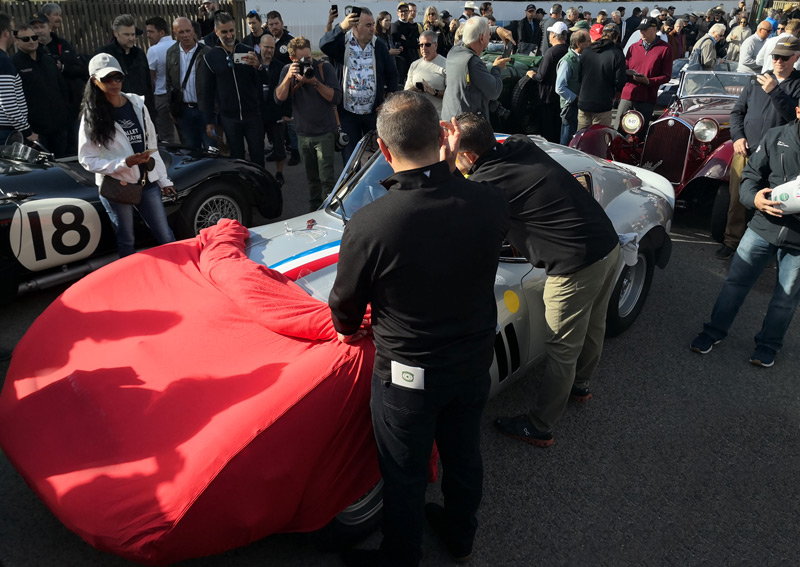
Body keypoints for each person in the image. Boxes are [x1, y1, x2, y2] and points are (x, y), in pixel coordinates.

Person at [330, 91, 508, 567]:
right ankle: (460, 535)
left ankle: (400, 556)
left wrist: (347, 329)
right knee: (464, 453)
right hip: (471, 361)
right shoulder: (490, 200)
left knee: (404, 472)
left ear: (384, 152)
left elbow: (345, 305)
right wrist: (448, 168)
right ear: (444, 136)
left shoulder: (372, 222)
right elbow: (453, 205)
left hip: (409, 373)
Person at [454, 112, 620, 447]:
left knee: (561, 347)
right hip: (608, 243)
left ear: (468, 157)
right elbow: (517, 139)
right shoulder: (520, 145)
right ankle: (581, 387)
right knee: (594, 323)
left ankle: (541, 424)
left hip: (573, 265)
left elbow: (457, 212)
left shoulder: (484, 185)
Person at [690, 99, 800, 368]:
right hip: (763, 227)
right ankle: (713, 332)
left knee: (786, 298)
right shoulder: (776, 136)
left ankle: (768, 345)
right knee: (735, 283)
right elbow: (751, 176)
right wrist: (755, 201)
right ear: (798, 109)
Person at [78, 53, 176, 258]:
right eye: (107, 78)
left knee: (165, 235)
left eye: (118, 77)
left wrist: (163, 180)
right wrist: (123, 163)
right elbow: (86, 159)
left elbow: (151, 145)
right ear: (94, 81)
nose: (114, 83)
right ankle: (132, 284)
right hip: (117, 186)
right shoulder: (91, 114)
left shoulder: (136, 104)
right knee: (126, 240)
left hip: (146, 181)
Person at [718, 37, 800, 260]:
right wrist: (737, 137)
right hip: (748, 150)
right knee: (738, 198)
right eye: (775, 57)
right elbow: (737, 112)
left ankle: (768, 248)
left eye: (784, 57)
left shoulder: (797, 84)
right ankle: (732, 241)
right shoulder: (756, 81)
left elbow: (795, 116)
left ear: (796, 57)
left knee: (774, 200)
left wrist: (776, 92)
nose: (778, 61)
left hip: (779, 155)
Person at [320, 7, 398, 163]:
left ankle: (371, 185)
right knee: (350, 158)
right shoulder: (343, 43)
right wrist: (341, 27)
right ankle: (351, 185)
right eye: (368, 25)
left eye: (373, 24)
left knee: (375, 156)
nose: (373, 29)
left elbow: (392, 73)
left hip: (372, 111)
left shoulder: (379, 45)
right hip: (347, 113)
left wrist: (388, 99)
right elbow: (324, 44)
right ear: (355, 26)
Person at [275, 36, 341, 211]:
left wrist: (314, 82)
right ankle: (314, 211)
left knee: (327, 178)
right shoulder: (287, 70)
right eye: (302, 60)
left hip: (325, 132)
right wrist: (290, 76)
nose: (307, 63)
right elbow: (279, 98)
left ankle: (331, 211)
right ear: (292, 60)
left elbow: (335, 97)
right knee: (312, 179)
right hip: (303, 134)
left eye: (309, 58)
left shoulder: (323, 68)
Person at [201, 12, 264, 165]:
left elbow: (263, 82)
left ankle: (260, 187)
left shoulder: (247, 50)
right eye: (224, 32)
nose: (229, 35)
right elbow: (207, 92)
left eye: (231, 31)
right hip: (229, 118)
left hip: (252, 115)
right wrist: (209, 121)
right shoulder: (210, 57)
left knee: (258, 155)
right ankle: (243, 188)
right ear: (216, 32)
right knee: (237, 159)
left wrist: (258, 67)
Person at [11, 23, 70, 156]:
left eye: (34, 37)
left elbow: (62, 88)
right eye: (26, 39)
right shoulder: (13, 64)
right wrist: (27, 131)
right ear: (16, 42)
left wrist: (66, 114)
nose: (31, 41)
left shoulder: (48, 61)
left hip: (59, 127)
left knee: (62, 166)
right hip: (35, 132)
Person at [441, 16, 508, 121]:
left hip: (450, 117)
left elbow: (467, 31)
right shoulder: (473, 62)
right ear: (481, 38)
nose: (490, 37)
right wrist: (497, 68)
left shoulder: (455, 50)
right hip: (466, 126)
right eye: (488, 34)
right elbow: (494, 91)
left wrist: (496, 29)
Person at [618, 17, 673, 135]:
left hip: (647, 97)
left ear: (654, 29)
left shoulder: (665, 49)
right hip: (628, 95)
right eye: (640, 30)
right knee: (619, 130)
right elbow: (625, 68)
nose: (641, 32)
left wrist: (649, 81)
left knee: (640, 134)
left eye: (645, 29)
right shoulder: (633, 47)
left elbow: (666, 76)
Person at [97, 14, 155, 118]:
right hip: (116, 109)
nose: (131, 38)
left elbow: (147, 83)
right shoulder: (105, 55)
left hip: (141, 108)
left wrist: (151, 111)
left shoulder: (139, 54)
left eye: (133, 35)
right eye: (126, 35)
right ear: (116, 33)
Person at [165, 17, 210, 149]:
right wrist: (171, 109)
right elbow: (168, 82)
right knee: (190, 151)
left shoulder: (206, 52)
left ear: (193, 31)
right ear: (175, 33)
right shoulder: (171, 53)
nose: (185, 35)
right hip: (184, 111)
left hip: (204, 110)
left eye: (188, 31)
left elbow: (215, 83)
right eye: (181, 32)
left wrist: (214, 110)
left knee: (211, 149)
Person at [577, 24, 625, 129]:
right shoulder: (617, 54)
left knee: (580, 139)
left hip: (584, 102)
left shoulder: (587, 51)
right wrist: (616, 95)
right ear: (616, 37)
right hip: (603, 104)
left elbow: (579, 76)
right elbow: (620, 80)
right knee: (599, 140)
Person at [0, 13, 37, 145]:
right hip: (7, 134)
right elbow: (8, 104)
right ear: (6, 33)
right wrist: (27, 131)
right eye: (12, 31)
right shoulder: (3, 61)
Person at [528, 21, 568, 143]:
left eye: (550, 33)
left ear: (554, 35)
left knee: (548, 132)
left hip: (547, 97)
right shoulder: (567, 50)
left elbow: (541, 76)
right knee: (558, 128)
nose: (549, 36)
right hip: (560, 97)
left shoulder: (551, 52)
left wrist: (531, 74)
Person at [257, 34, 289, 186]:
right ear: (259, 46)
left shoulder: (280, 66)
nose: (269, 50)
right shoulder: (252, 63)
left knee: (279, 147)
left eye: (272, 47)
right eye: (266, 47)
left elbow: (287, 92)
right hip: (256, 113)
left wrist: (286, 113)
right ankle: (259, 176)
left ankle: (279, 173)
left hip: (275, 112)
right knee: (256, 147)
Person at [145, 16, 177, 144]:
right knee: (184, 133)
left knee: (165, 135)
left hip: (161, 96)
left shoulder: (154, 50)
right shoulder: (177, 45)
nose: (148, 35)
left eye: (151, 32)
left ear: (162, 32)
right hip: (179, 95)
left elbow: (150, 78)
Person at [556, 28, 590, 145]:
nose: (590, 44)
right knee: (567, 140)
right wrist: (576, 98)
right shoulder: (567, 61)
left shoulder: (582, 58)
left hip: (580, 106)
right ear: (578, 44)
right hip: (570, 107)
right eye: (588, 42)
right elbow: (560, 87)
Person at [405, 30, 447, 115]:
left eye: (427, 44)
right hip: (417, 117)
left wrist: (433, 91)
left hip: (438, 118)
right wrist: (414, 89)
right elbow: (406, 93)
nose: (424, 48)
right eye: (421, 45)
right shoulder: (414, 65)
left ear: (436, 45)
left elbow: (452, 94)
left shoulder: (446, 64)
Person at [392, 2, 421, 83]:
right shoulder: (395, 26)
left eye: (405, 11)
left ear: (408, 12)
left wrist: (406, 41)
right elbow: (398, 43)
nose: (403, 13)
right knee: (400, 84)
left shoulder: (413, 26)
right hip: (400, 61)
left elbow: (417, 44)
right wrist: (408, 42)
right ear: (398, 13)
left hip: (412, 60)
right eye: (401, 11)